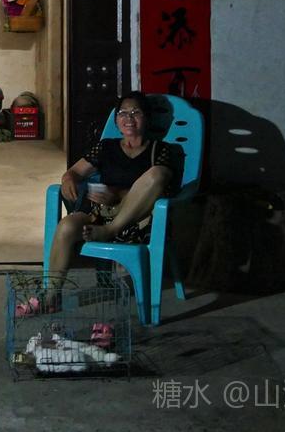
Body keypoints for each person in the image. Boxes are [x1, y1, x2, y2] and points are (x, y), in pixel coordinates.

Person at [18, 91, 176, 316]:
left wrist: (118, 194)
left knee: (157, 174)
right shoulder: (106, 147)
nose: (129, 118)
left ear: (147, 118)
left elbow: (161, 186)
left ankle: (110, 230)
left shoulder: (160, 150)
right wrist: (68, 180)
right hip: (101, 214)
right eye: (123, 113)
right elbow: (74, 171)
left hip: (137, 221)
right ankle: (51, 296)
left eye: (136, 112)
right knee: (67, 226)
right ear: (116, 120)